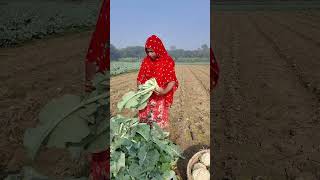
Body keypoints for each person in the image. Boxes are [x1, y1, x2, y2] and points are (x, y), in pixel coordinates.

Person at [137, 35, 179, 129]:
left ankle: (157, 139)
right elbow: (140, 78)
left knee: (158, 124)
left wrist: (163, 91)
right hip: (147, 96)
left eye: (152, 51)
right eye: (147, 51)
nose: (149, 54)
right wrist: (141, 89)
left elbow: (172, 81)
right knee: (144, 122)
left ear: (158, 49)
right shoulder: (146, 61)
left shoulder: (167, 61)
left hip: (160, 96)